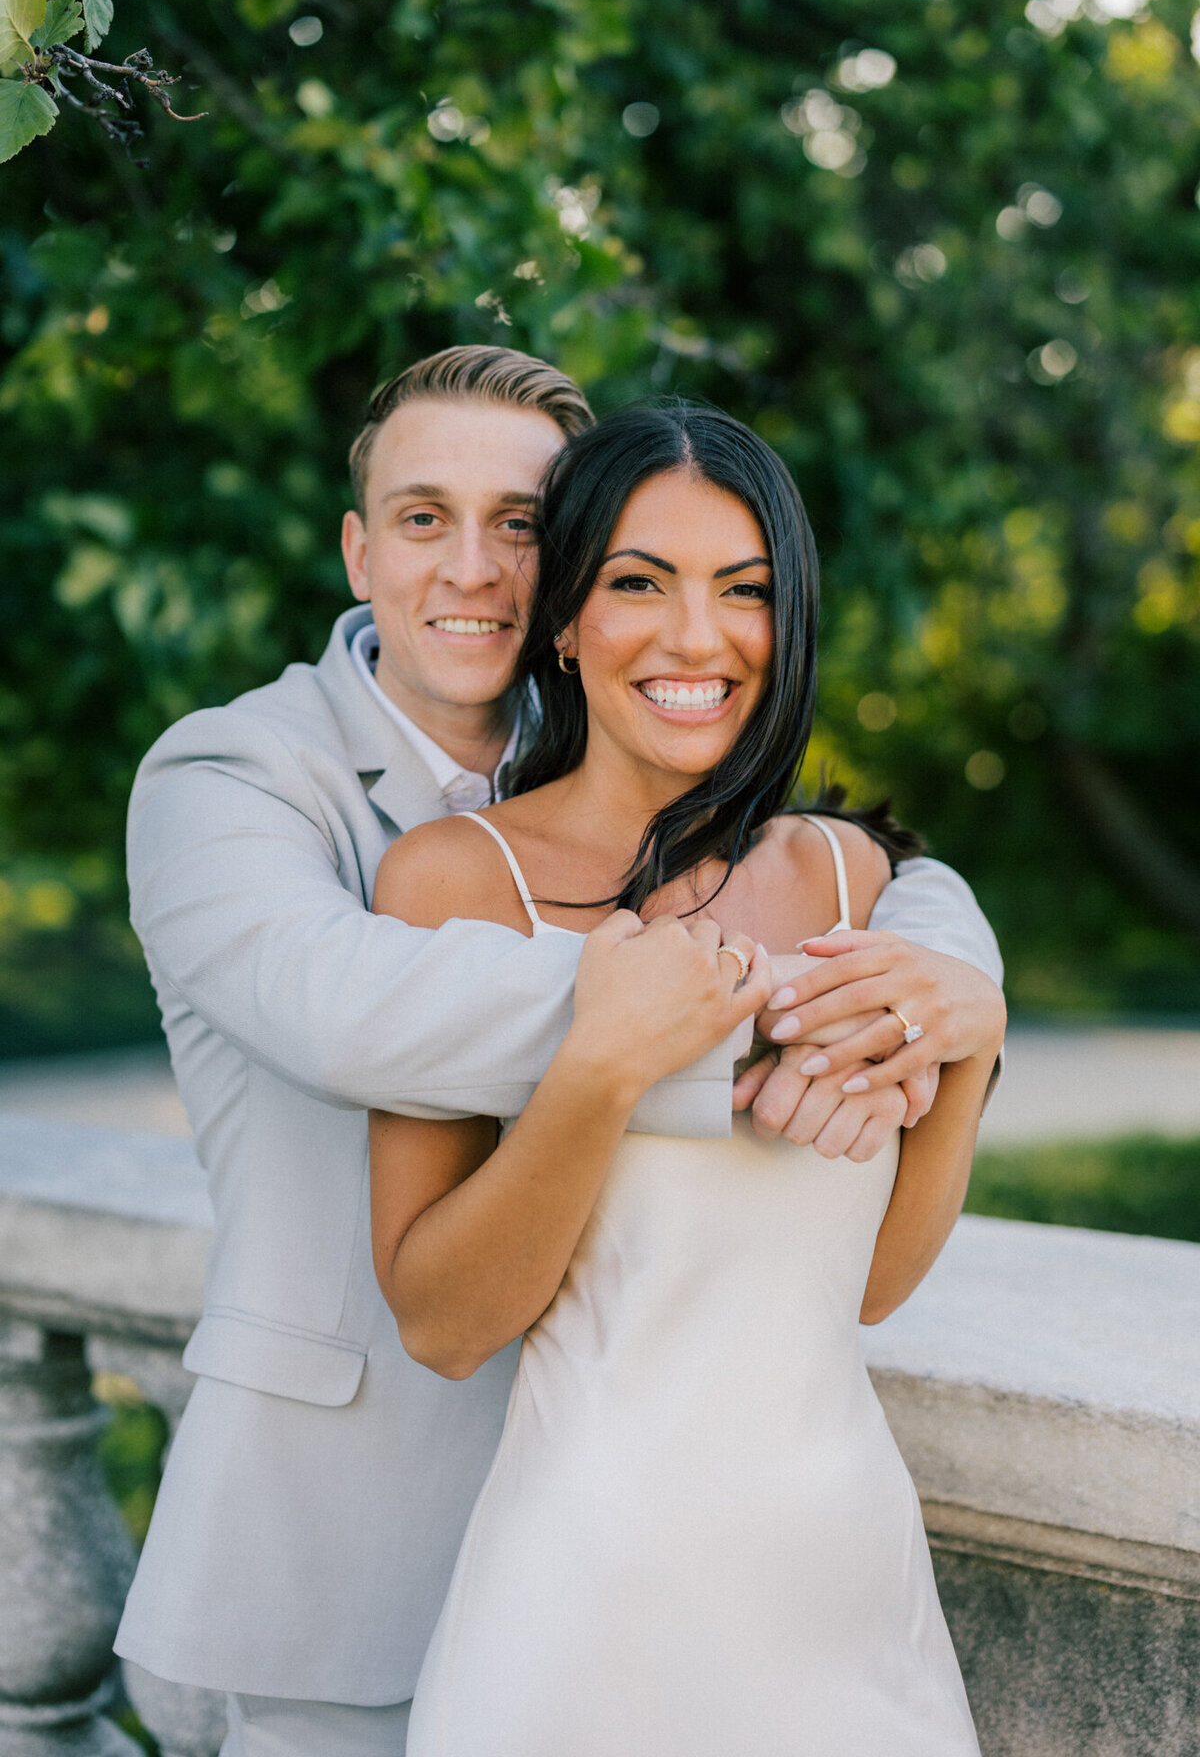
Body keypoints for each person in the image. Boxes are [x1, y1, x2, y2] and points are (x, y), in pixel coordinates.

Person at [115, 348, 1003, 1757]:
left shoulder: (820, 862)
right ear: (359, 549)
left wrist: (960, 1002)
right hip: (377, 1547)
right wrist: (738, 1015)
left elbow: (868, 1267)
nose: (475, 566)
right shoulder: (235, 781)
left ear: (553, 572)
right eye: (422, 517)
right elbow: (354, 1007)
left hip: (820, 1590)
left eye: (519, 525)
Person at [370, 400, 1004, 1754]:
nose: (698, 639)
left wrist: (972, 1048)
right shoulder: (452, 886)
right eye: (638, 585)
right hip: (591, 1607)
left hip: (847, 1590)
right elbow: (442, 1320)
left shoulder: (846, 876)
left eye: (745, 591)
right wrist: (598, 1070)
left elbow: (871, 1284)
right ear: (564, 621)